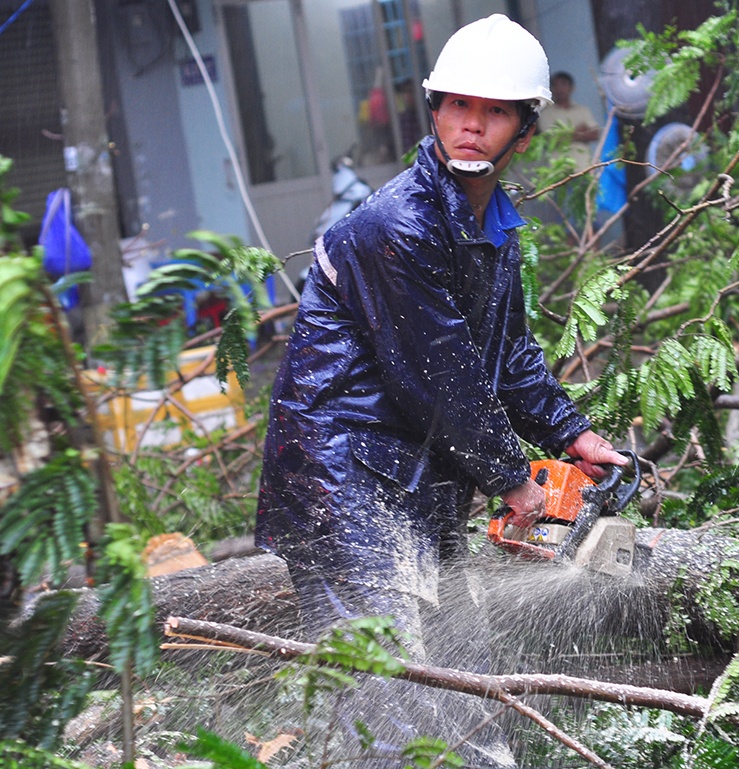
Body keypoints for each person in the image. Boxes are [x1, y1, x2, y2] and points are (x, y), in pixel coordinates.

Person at [255, 13, 627, 767]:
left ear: (523, 130)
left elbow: (508, 355)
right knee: (385, 693)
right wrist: (515, 483)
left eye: (492, 113)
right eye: (458, 106)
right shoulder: (397, 223)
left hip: (414, 480)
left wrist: (573, 436)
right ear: (435, 110)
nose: (471, 125)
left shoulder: (494, 226)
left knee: (462, 672)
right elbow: (441, 379)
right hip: (343, 480)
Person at [536, 71, 601, 172]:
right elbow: (552, 138)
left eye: (563, 84)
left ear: (572, 88)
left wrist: (568, 134)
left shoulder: (583, 110)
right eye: (555, 85)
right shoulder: (545, 114)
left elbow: (595, 134)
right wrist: (581, 133)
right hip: (558, 170)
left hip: (583, 168)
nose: (559, 89)